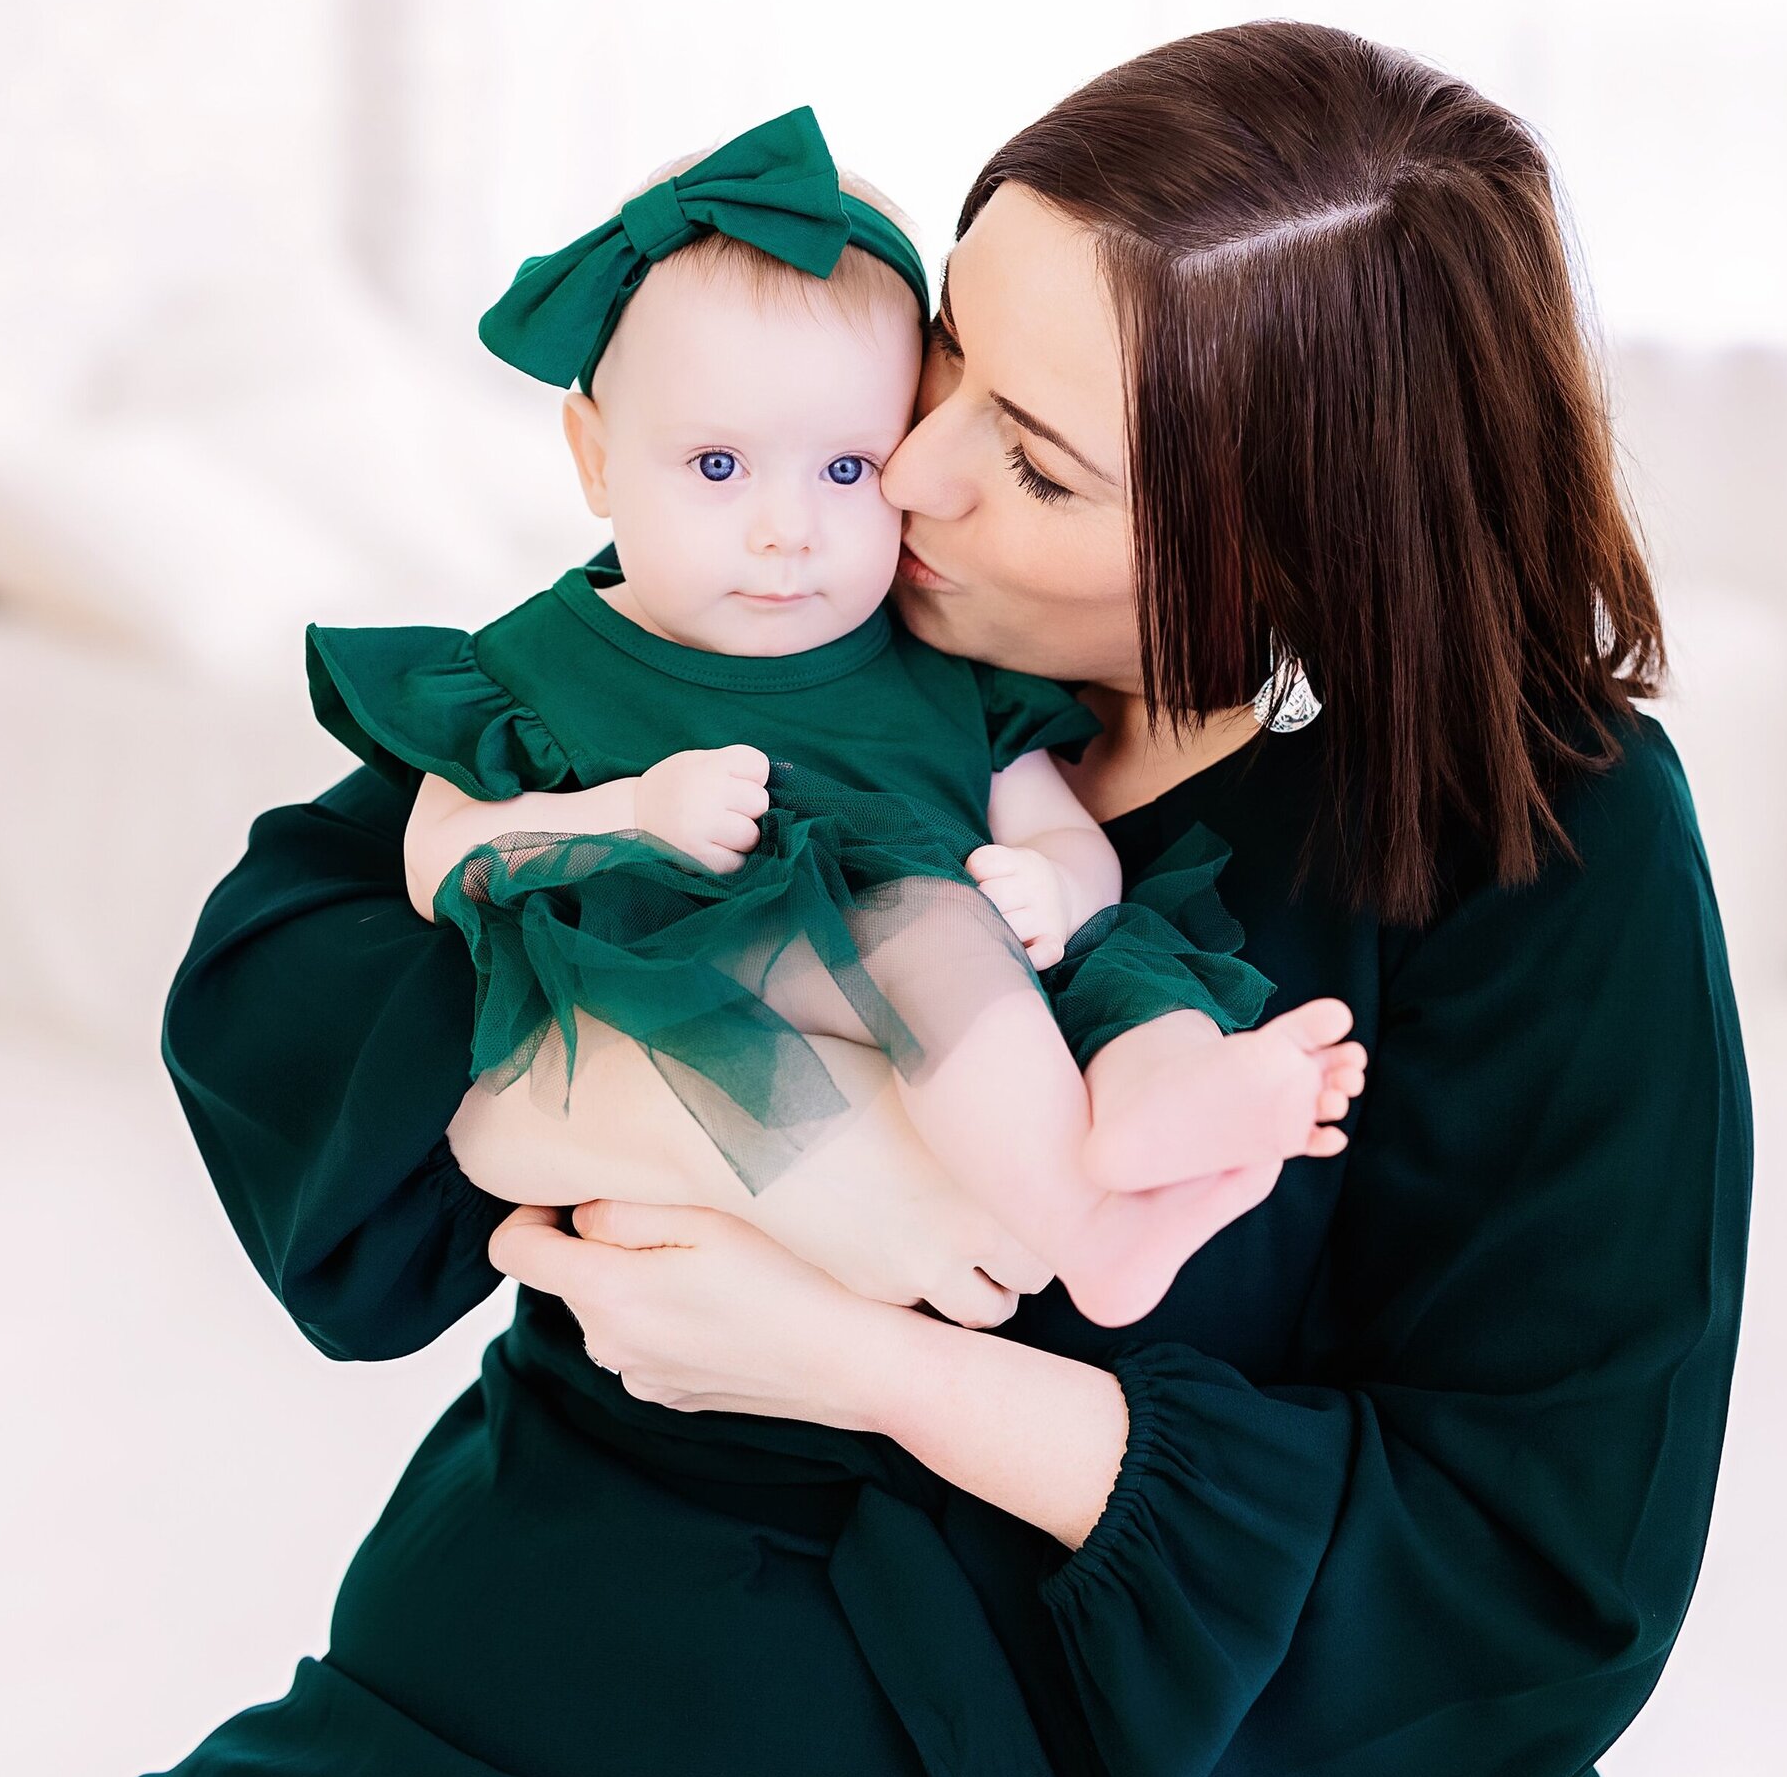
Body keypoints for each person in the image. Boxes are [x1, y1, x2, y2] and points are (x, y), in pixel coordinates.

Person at [0, 23, 1753, 1777]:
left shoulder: (1526, 847)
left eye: (1026, 455)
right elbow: (306, 928)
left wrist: (873, 1364)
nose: (899, 473)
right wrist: (521, 937)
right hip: (558, 1702)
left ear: (1293, 530)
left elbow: (1519, 1581)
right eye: (941, 369)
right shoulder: (804, 601)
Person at [331, 100, 1362, 1329]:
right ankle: (1091, 1229)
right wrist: (630, 814)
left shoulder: (937, 663)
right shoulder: (538, 666)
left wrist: (1062, 888)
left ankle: (1164, 1111)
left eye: (848, 468)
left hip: (983, 982)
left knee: (1134, 969)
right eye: (717, 468)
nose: (788, 529)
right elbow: (441, 858)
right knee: (925, 922)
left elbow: (1061, 835)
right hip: (710, 966)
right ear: (596, 459)